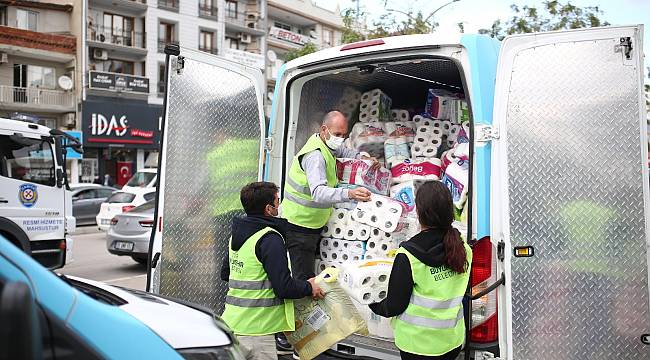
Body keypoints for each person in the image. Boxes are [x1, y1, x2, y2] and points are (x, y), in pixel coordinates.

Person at [281, 110, 378, 356]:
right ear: (324, 130)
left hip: (311, 226)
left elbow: (344, 152)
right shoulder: (315, 156)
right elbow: (319, 193)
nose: (340, 139)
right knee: (302, 283)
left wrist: (364, 158)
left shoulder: (327, 145)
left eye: (344, 134)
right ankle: (296, 341)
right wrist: (350, 193)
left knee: (309, 279)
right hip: (298, 226)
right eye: (337, 134)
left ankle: (303, 334)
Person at [220, 181, 325, 360]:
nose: (279, 205)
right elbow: (283, 288)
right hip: (257, 332)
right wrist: (309, 287)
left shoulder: (237, 236)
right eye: (277, 201)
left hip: (232, 324)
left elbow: (226, 274)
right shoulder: (269, 238)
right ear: (269, 208)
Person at [369, 181, 472, 360]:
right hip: (451, 341)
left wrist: (372, 304)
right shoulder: (463, 248)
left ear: (419, 212)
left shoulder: (408, 255)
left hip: (417, 346)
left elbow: (394, 305)